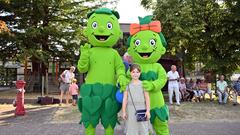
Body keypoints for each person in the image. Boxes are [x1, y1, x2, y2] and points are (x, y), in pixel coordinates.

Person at [122, 64, 152, 135]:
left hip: (142, 109)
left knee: (143, 128)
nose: (135, 74)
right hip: (130, 109)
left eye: (137, 72)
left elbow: (147, 98)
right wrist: (123, 111)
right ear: (130, 73)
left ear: (140, 73)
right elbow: (125, 99)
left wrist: (148, 111)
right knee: (131, 129)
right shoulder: (127, 85)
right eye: (133, 72)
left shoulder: (143, 84)